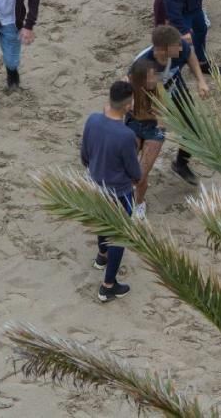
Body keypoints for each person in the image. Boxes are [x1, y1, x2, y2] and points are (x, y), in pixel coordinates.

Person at [80, 80, 141, 303]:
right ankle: (108, 285)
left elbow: (84, 155)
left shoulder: (93, 120)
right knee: (119, 234)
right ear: (127, 105)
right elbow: (135, 171)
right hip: (119, 192)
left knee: (101, 221)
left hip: (96, 184)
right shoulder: (125, 136)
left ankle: (101, 256)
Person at [133, 25, 210, 185]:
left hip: (175, 90)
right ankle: (129, 170)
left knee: (193, 126)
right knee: (141, 137)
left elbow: (190, 56)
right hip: (149, 98)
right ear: (162, 50)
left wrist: (201, 81)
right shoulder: (143, 64)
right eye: (177, 46)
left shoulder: (179, 47)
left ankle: (181, 164)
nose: (181, 47)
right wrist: (159, 116)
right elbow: (139, 99)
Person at [124, 60, 162, 220]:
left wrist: (153, 112)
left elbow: (164, 121)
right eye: (150, 77)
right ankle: (125, 198)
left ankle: (139, 203)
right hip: (133, 124)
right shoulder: (129, 85)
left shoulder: (161, 90)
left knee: (140, 175)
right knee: (128, 170)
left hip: (154, 130)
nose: (154, 80)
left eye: (154, 76)